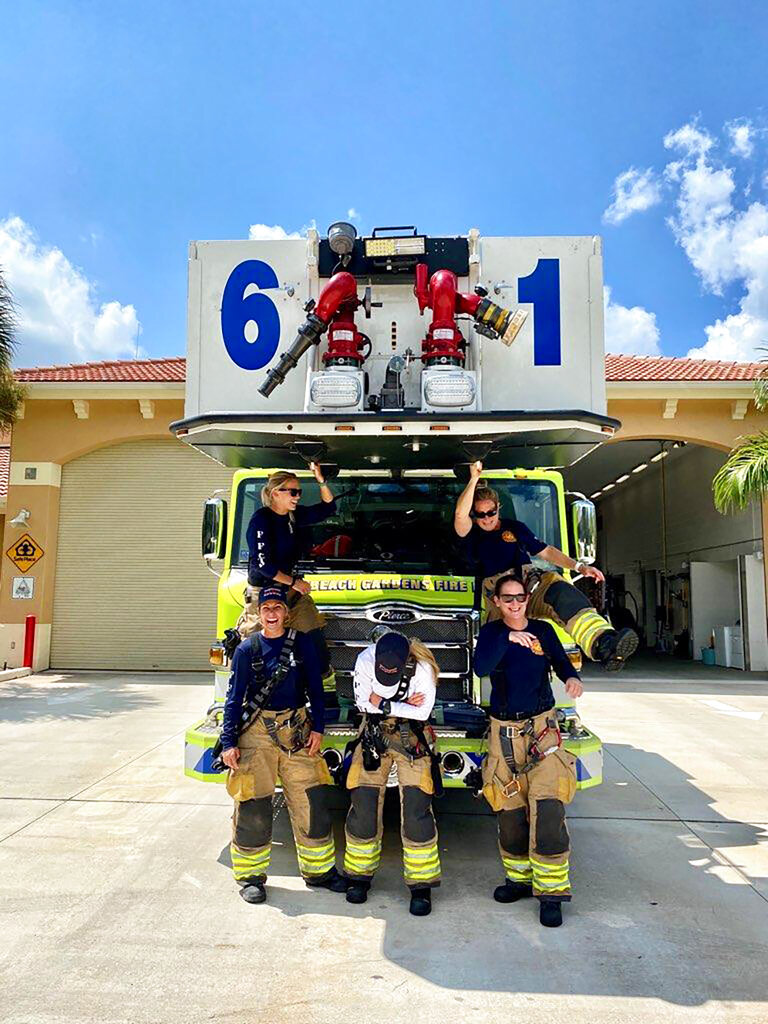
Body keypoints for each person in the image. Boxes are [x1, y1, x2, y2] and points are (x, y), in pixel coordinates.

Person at [220, 585, 347, 904]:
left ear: (286, 613)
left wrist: (318, 727)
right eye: (267, 609)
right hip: (256, 734)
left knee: (311, 800)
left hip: (297, 730)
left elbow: (316, 689)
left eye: (278, 608)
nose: (273, 614)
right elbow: (234, 699)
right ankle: (250, 877)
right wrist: (228, 742)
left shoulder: (302, 643)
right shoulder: (247, 649)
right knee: (253, 804)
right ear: (259, 614)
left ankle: (319, 871)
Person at [454, 461, 638, 670]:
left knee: (562, 593)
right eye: (481, 514)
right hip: (499, 597)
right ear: (474, 515)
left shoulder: (515, 528)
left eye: (491, 512)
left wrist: (579, 567)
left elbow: (547, 552)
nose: (487, 518)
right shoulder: (470, 534)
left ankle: (604, 644)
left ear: (499, 508)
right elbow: (460, 515)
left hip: (530, 586)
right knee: (498, 641)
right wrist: (474, 479)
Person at [474, 573, 583, 928]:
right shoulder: (491, 634)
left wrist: (572, 677)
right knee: (509, 810)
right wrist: (508, 636)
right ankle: (519, 880)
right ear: (497, 603)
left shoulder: (543, 630)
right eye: (507, 599)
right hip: (503, 733)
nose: (515, 604)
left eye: (520, 597)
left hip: (541, 731)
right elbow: (481, 667)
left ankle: (551, 893)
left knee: (549, 806)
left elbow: (560, 661)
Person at [342, 631, 442, 916]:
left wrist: (384, 703)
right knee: (363, 803)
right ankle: (358, 878)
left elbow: (422, 713)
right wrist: (402, 705)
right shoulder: (364, 659)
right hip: (373, 734)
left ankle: (421, 886)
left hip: (412, 738)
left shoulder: (422, 666)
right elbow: (363, 703)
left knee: (416, 808)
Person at [245, 462, 337, 685]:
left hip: (291, 591)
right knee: (264, 648)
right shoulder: (261, 520)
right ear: (276, 493)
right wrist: (295, 582)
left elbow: (328, 508)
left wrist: (321, 480)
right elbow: (263, 565)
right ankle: (261, 691)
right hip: (264, 593)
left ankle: (319, 686)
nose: (297, 497)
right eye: (293, 492)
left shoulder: (293, 516)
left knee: (315, 642)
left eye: (299, 492)